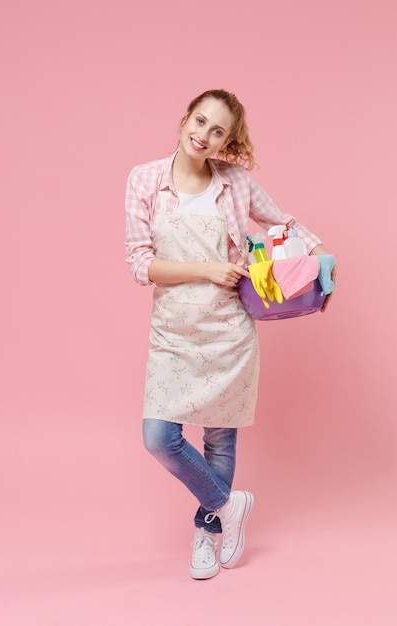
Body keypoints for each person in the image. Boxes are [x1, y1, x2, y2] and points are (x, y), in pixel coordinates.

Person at [125, 89, 335, 580]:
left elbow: (285, 223)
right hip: (174, 331)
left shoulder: (235, 181)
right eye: (199, 122)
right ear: (184, 119)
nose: (204, 135)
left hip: (228, 329)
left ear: (228, 140)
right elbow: (139, 264)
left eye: (217, 131)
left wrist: (325, 262)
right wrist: (206, 269)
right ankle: (228, 504)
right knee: (159, 437)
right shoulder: (145, 179)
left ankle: (209, 530)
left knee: (220, 438)